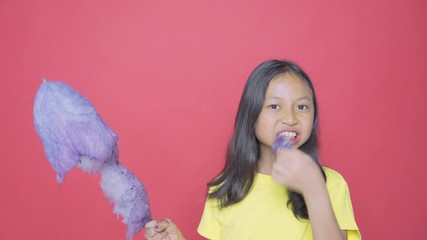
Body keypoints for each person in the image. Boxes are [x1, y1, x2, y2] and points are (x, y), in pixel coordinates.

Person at [144, 59, 361, 240]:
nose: (290, 118)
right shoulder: (225, 189)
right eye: (275, 106)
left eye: (302, 107)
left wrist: (314, 188)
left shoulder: (330, 184)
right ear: (251, 116)